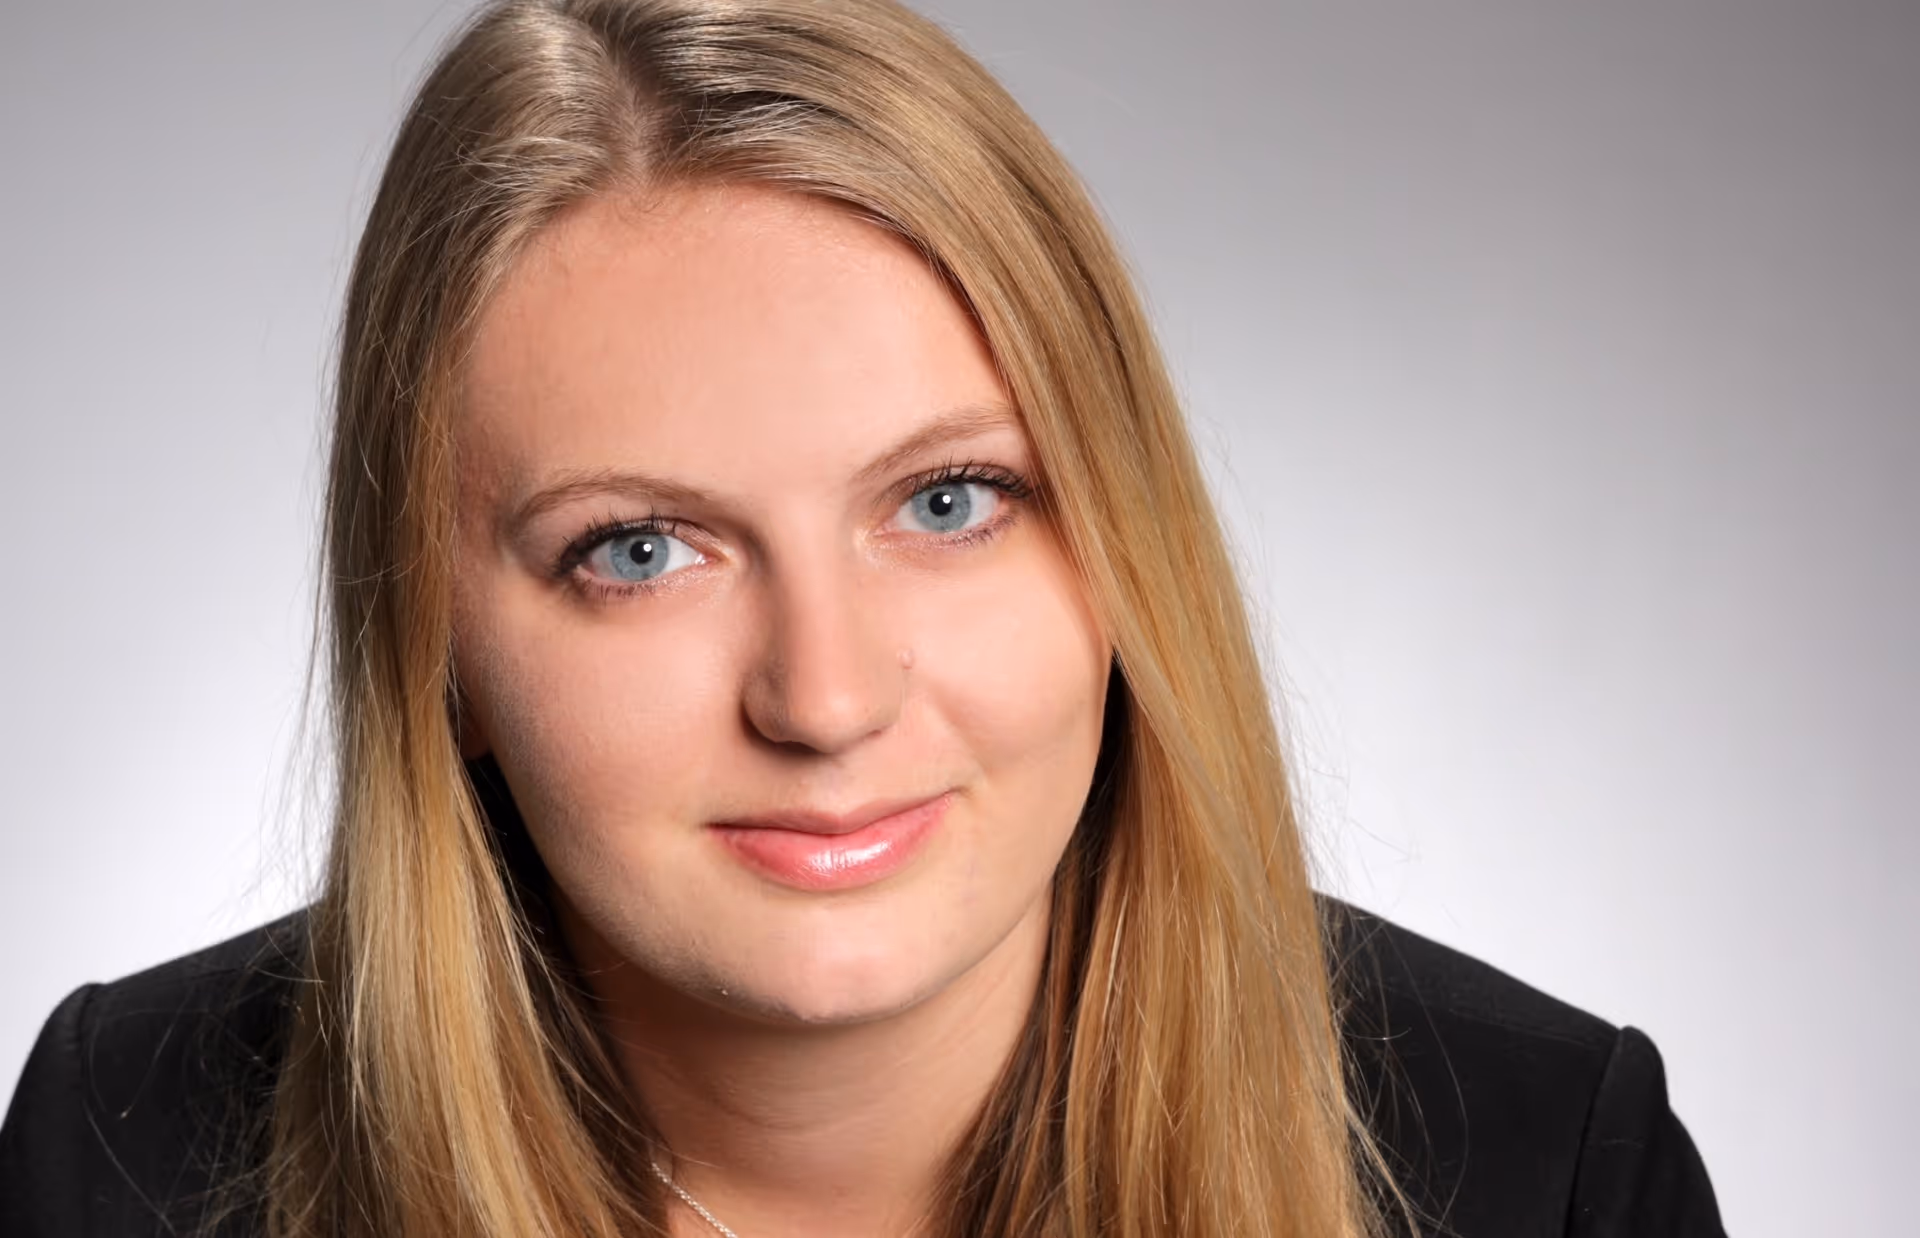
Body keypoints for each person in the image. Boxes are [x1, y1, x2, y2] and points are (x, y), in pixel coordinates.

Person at [0, 1, 1725, 1234]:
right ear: (434, 653)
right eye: (640, 549)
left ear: (1125, 552)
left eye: (949, 501)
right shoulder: (120, 1149)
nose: (824, 699)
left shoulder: (1547, 1168)